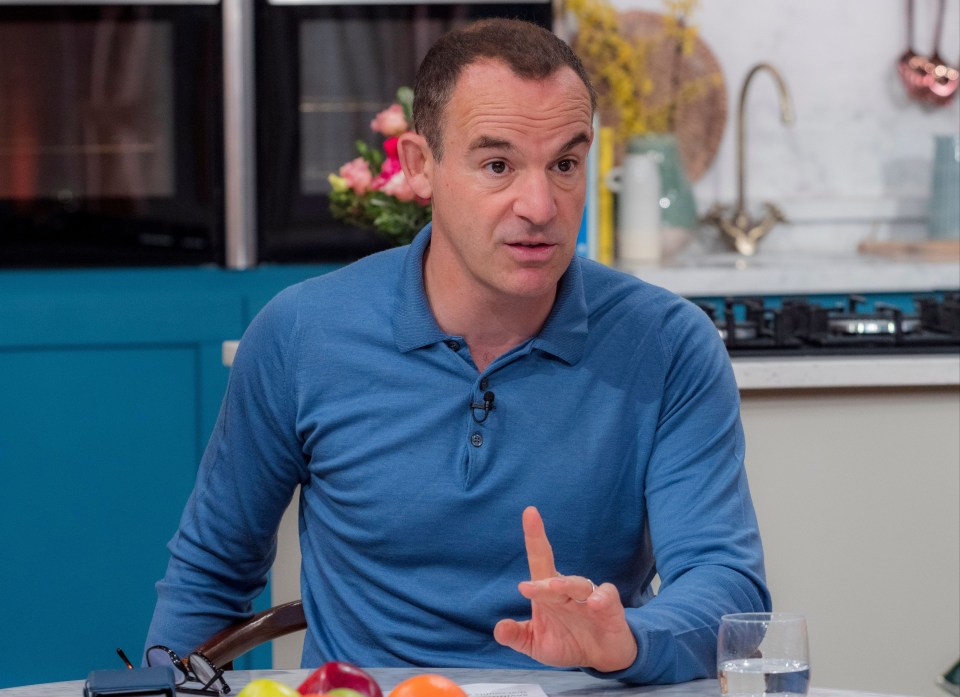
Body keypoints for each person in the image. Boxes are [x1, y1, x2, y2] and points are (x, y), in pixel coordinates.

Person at [144, 17, 770, 684]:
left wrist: (625, 639)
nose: (541, 204)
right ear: (422, 166)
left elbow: (726, 586)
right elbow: (208, 575)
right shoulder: (302, 333)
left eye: (565, 163)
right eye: (497, 164)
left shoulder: (669, 344)